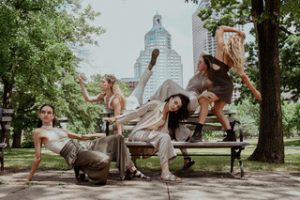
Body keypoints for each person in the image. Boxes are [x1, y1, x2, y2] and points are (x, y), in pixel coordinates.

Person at [27, 104, 150, 185]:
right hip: (74, 155)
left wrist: (98, 136)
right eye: (43, 112)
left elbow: (80, 137)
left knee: (117, 138)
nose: (46, 114)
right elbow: (38, 157)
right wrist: (29, 177)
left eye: (49, 112)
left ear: (53, 116)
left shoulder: (59, 130)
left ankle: (130, 169)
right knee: (104, 159)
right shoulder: (38, 132)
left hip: (84, 146)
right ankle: (86, 170)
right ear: (39, 114)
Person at [190, 25, 262, 142]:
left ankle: (198, 133)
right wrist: (255, 92)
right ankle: (230, 135)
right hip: (226, 87)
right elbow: (244, 77)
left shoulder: (222, 47)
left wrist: (237, 30)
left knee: (203, 99)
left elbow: (220, 28)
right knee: (216, 110)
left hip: (223, 87)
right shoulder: (233, 58)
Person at [105, 94, 190, 182]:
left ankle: (166, 171)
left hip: (149, 137)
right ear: (171, 98)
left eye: (178, 106)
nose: (175, 106)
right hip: (138, 134)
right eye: (175, 102)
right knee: (165, 137)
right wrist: (116, 118)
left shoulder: (168, 116)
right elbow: (136, 113)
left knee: (165, 137)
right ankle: (165, 173)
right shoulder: (155, 104)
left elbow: (162, 133)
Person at [149, 53, 212, 170]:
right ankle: (187, 158)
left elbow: (212, 94)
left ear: (207, 65)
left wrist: (207, 98)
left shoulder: (209, 79)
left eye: (201, 62)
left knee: (168, 83)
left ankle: (150, 103)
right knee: (174, 126)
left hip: (193, 100)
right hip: (185, 100)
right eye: (198, 61)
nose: (198, 63)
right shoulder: (196, 76)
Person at [78, 49, 160, 135]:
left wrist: (120, 137)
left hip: (134, 105)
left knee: (141, 84)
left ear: (109, 84)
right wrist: (81, 83)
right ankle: (151, 64)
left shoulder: (115, 100)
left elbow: (118, 119)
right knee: (141, 84)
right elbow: (88, 98)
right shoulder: (104, 96)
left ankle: (151, 64)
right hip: (130, 99)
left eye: (103, 82)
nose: (100, 84)